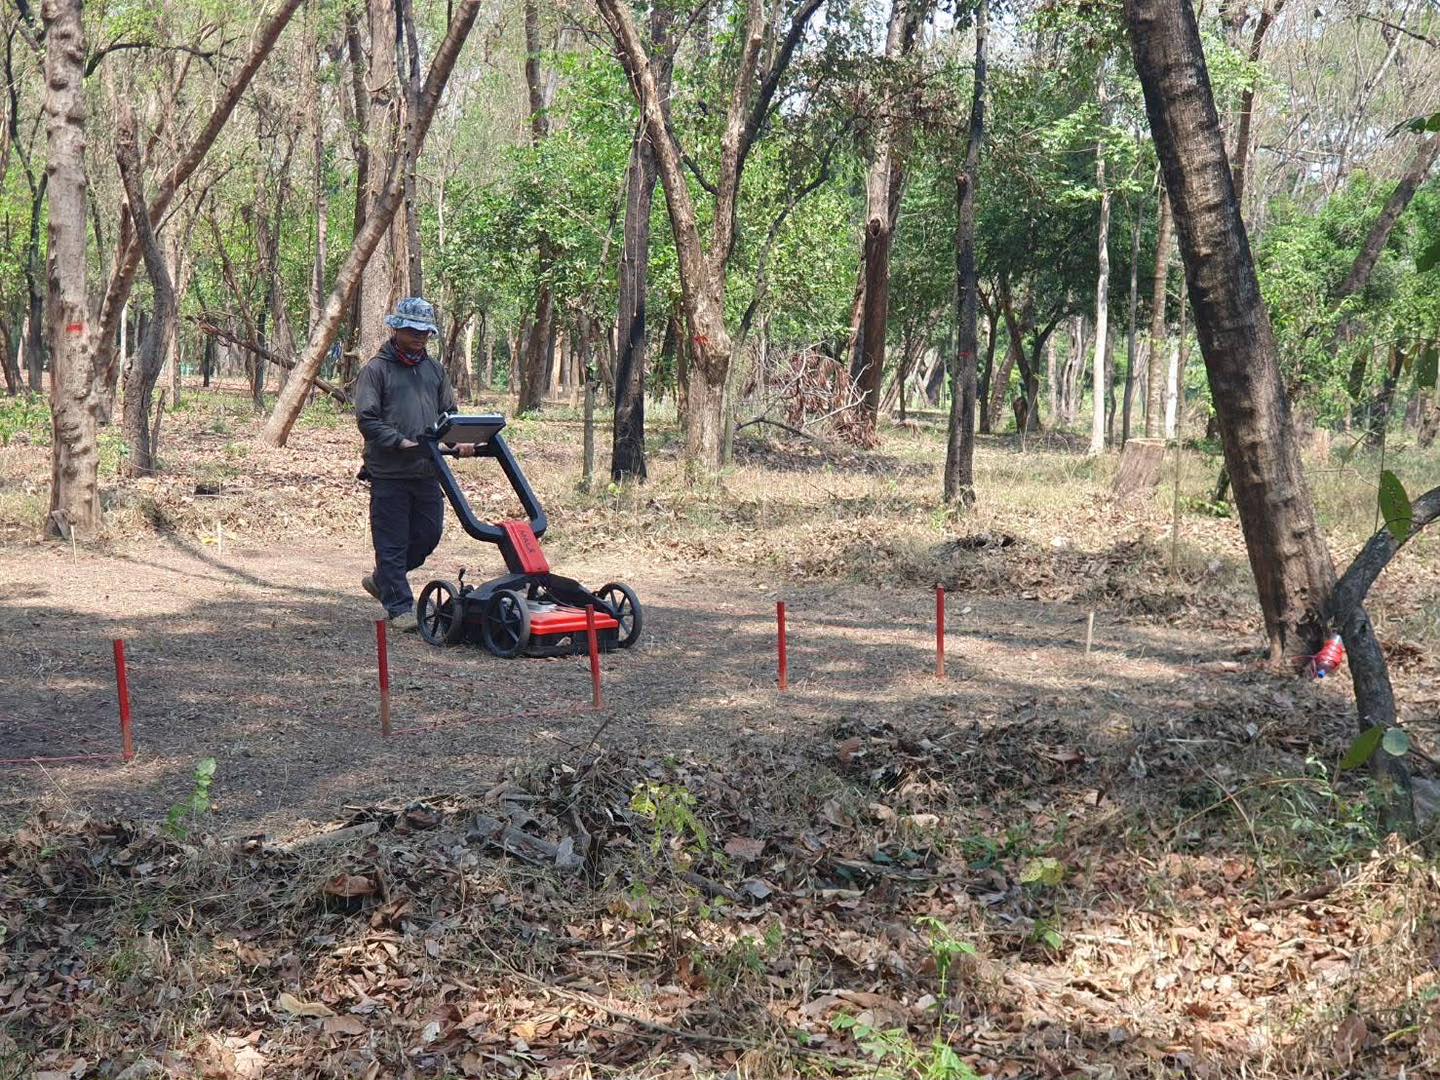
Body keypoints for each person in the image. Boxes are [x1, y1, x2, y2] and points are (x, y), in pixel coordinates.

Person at [354, 297, 459, 631]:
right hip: (389, 472)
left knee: (428, 535)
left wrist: (458, 440)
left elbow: (448, 414)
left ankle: (384, 579)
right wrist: (399, 441)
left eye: (424, 331)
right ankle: (400, 606)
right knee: (392, 542)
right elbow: (367, 419)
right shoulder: (376, 370)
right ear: (396, 329)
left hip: (427, 469)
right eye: (413, 330)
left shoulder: (435, 370)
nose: (419, 336)